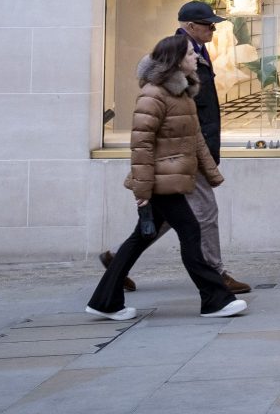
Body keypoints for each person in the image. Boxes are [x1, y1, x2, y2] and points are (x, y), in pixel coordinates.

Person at [87, 35, 247, 321]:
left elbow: (195, 139)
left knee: (142, 237)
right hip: (162, 181)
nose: (194, 58)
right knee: (191, 233)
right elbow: (142, 145)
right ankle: (215, 299)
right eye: (188, 54)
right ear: (174, 61)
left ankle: (105, 301)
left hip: (172, 177)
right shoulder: (154, 94)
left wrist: (211, 173)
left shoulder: (182, 92)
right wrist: (143, 189)